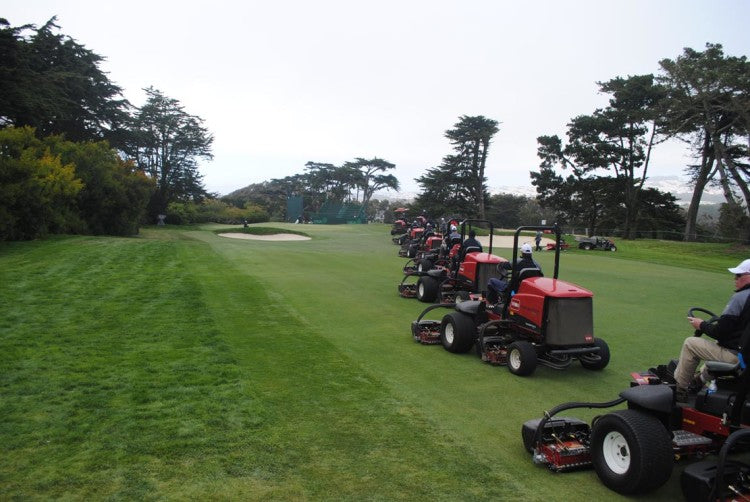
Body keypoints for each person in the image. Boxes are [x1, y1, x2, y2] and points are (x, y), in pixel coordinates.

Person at [673, 259, 750, 402]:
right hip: (745, 354)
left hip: (738, 358)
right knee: (718, 343)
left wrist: (701, 325)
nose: (735, 279)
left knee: (691, 344)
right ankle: (699, 380)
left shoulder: (741, 297)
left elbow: (720, 331)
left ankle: (680, 389)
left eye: (739, 276)